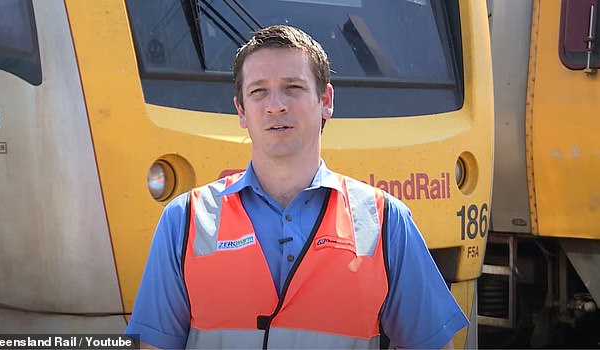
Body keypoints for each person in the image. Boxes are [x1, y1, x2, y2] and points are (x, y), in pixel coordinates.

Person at [125, 25, 468, 349]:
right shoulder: (183, 221)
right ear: (241, 110)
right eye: (259, 91)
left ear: (326, 101)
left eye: (293, 87)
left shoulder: (387, 221)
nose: (276, 105)